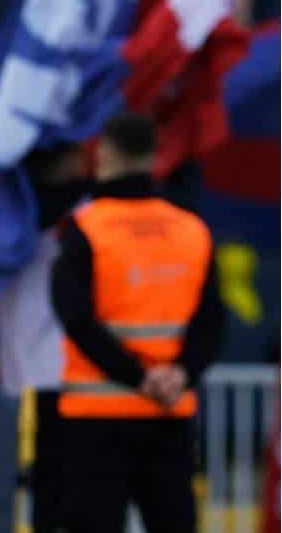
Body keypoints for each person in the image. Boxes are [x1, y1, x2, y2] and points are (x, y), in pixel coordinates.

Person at [50, 112, 224, 533]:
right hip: (169, 412)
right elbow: (212, 322)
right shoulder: (192, 229)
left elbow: (75, 318)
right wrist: (179, 375)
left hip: (96, 417)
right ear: (154, 156)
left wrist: (137, 377)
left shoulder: (85, 228)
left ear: (105, 154)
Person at [0, 143, 90, 532]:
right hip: (69, 374)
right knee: (64, 484)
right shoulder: (90, 215)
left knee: (39, 487)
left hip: (16, 373)